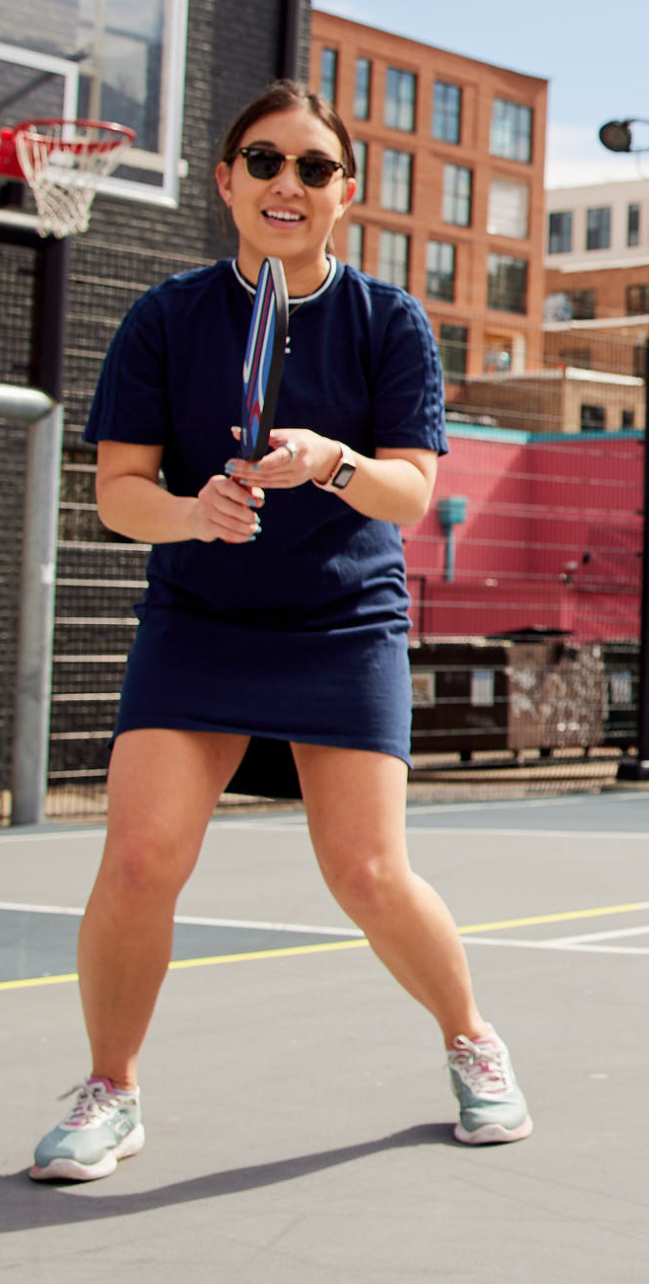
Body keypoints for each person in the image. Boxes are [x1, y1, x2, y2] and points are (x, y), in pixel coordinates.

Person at [30, 82, 530, 1184]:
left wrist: (331, 461)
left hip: (341, 620)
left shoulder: (389, 321)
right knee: (140, 855)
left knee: (365, 869)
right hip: (199, 619)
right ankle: (110, 1087)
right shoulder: (166, 315)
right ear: (226, 180)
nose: (286, 184)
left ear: (346, 190)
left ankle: (470, 1039)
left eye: (313, 166)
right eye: (264, 161)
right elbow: (118, 492)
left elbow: (407, 492)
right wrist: (192, 514)